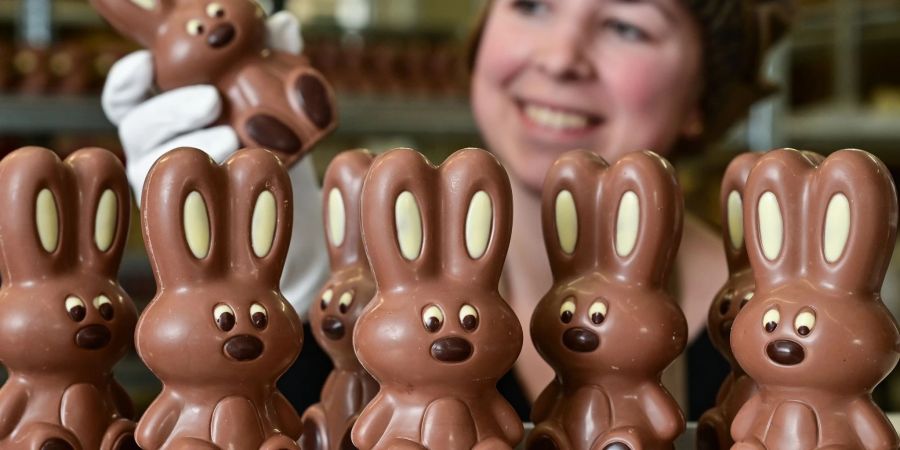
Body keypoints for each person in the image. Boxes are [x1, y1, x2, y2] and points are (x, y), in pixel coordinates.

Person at [467, 0, 792, 412]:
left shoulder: (779, 331)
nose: (560, 58)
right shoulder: (369, 313)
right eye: (531, 6)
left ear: (704, 91)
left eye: (625, 27)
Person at [101, 11, 333, 411]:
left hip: (307, 338)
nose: (215, 28)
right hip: (211, 341)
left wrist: (306, 274)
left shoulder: (272, 54)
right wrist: (170, 202)